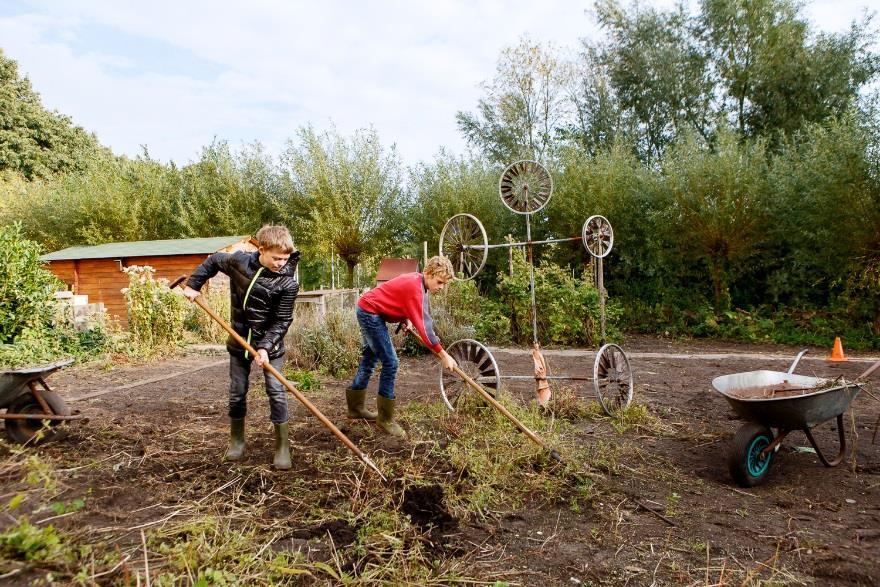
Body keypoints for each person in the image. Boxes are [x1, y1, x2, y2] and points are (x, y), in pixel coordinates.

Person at [183, 225, 300, 469]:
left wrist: (266, 347)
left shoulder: (287, 284)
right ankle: (236, 442)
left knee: (276, 391)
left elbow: (282, 321)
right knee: (237, 391)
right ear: (262, 249)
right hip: (238, 341)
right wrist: (194, 284)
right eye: (276, 258)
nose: (281, 263)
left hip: (271, 345)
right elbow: (214, 260)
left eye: (285, 258)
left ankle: (282, 446)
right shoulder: (239, 262)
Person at [346, 255, 458, 437]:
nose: (441, 287)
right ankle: (385, 419)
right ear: (428, 273)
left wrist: (405, 317)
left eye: (444, 284)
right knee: (391, 362)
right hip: (370, 313)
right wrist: (443, 354)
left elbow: (398, 299)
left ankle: (355, 409)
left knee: (369, 360)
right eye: (439, 282)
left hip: (367, 308)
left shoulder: (418, 283)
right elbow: (426, 329)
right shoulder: (416, 289)